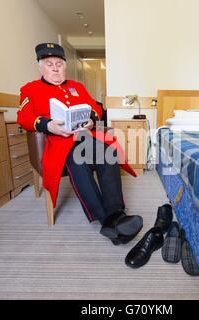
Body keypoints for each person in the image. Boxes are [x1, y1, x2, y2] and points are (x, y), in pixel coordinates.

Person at [17, 43, 143, 245]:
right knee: (78, 161)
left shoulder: (77, 87)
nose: (56, 68)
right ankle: (107, 221)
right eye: (49, 64)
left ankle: (116, 214)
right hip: (59, 142)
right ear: (40, 67)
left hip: (86, 135)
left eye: (59, 63)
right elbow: (23, 117)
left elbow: (95, 108)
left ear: (65, 66)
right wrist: (48, 125)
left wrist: (93, 119)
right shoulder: (30, 89)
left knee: (107, 154)